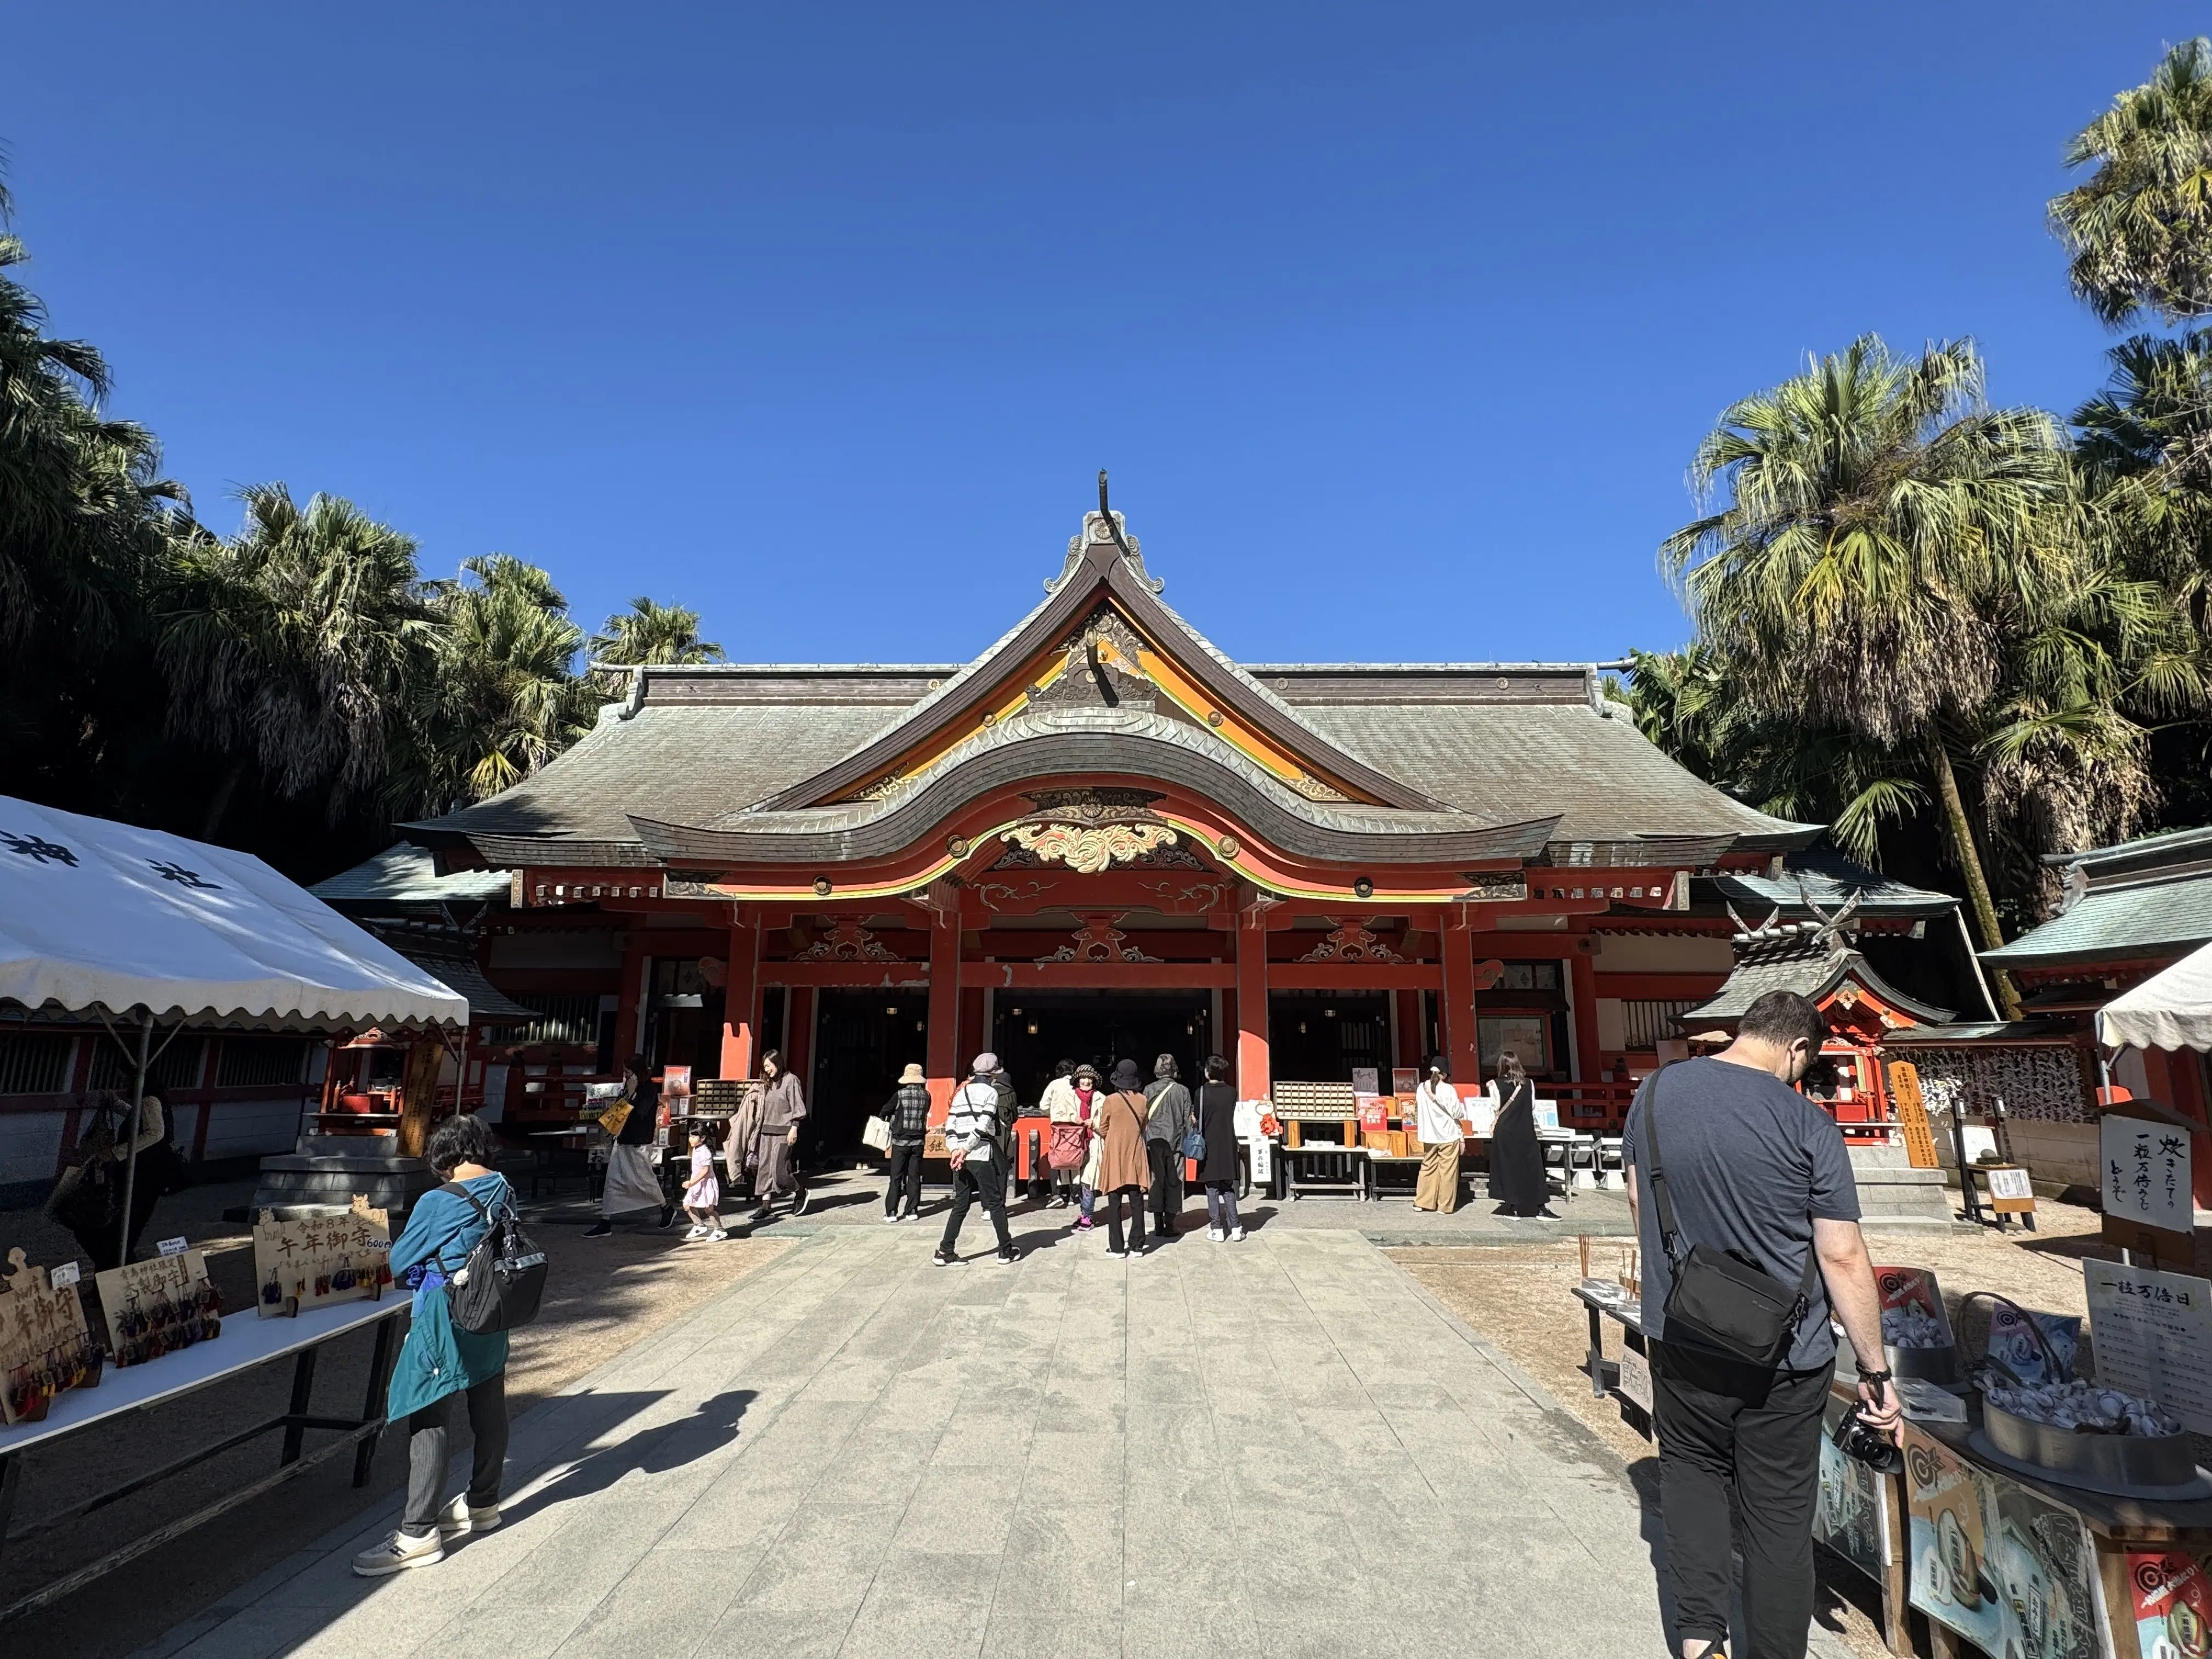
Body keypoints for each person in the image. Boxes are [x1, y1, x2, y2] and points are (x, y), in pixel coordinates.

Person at [1622, 990, 1902, 1659]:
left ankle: (1701, 1641)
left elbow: (1638, 1196)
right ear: (1798, 1048)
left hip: (1684, 1331)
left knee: (1691, 1476)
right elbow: (1841, 1253)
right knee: (1778, 1516)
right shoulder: (1808, 1125)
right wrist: (1874, 1369)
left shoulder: (1654, 1095)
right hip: (1786, 1351)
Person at [353, 1114, 514, 1576]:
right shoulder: (503, 1188)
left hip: (444, 1314)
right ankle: (483, 1502)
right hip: (491, 1310)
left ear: (444, 1155)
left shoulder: (437, 1200)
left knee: (428, 1410)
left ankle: (418, 1531)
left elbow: (400, 1260)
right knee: (488, 1402)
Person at [46, 1091, 177, 1269]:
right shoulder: (148, 1102)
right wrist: (117, 1104)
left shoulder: (150, 1099)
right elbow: (137, 1117)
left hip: (142, 1180)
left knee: (115, 1236)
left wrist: (115, 1153)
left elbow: (155, 1132)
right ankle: (113, 1274)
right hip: (137, 1178)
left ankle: (115, 1275)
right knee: (115, 1237)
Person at [933, 1052, 1015, 1265]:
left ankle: (945, 1250)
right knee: (995, 1203)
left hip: (960, 1156)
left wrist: (955, 1150)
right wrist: (966, 1149)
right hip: (980, 1153)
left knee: (961, 1204)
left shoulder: (962, 1092)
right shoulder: (991, 1093)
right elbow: (983, 1124)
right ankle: (1005, 1250)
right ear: (993, 1074)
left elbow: (951, 1123)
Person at [584, 1056, 675, 1238]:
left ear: (637, 1072)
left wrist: (633, 1096)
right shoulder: (627, 1088)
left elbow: (639, 1114)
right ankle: (605, 1221)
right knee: (612, 1182)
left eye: (628, 1072)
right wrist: (628, 1095)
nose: (626, 1075)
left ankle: (666, 1208)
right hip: (622, 1139)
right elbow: (618, 1111)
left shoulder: (649, 1090)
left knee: (644, 1180)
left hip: (639, 1141)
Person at [1093, 1059, 1153, 1259]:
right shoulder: (1143, 1100)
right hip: (1136, 1152)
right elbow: (1144, 1125)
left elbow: (1103, 1128)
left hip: (1116, 1154)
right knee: (1137, 1200)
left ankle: (1117, 1247)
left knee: (1115, 1201)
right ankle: (1137, 1245)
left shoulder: (1110, 1100)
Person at [746, 1049, 809, 1223]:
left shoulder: (791, 1080)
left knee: (780, 1172)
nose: (767, 1070)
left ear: (777, 1063)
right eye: (764, 1067)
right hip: (766, 1132)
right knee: (764, 1170)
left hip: (784, 1133)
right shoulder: (767, 1084)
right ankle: (766, 1207)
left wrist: (794, 1128)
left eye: (769, 1066)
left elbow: (798, 1106)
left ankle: (800, 1192)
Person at [1487, 1049, 1548, 1217]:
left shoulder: (1495, 1085)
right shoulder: (1529, 1084)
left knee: (1508, 1168)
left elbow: (1496, 1107)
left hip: (1505, 1131)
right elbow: (1532, 1106)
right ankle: (1539, 1205)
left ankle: (1512, 1205)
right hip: (1525, 1130)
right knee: (1532, 1167)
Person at [1192, 1054, 1243, 1242]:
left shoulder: (1201, 1092)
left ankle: (1216, 1228)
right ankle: (1236, 1226)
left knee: (1212, 1187)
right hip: (1228, 1143)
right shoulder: (1232, 1092)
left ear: (1208, 1072)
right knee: (1228, 1187)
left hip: (1209, 1144)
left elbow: (1197, 1117)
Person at [1142, 1053, 1192, 1237]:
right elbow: (1188, 1120)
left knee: (1157, 1179)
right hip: (1176, 1142)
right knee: (1175, 1180)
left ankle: (1157, 1222)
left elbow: (1143, 1117)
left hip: (1154, 1141)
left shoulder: (1148, 1090)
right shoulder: (1182, 1091)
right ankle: (1170, 1223)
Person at [1413, 1057, 1464, 1214]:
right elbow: (1457, 1113)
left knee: (1428, 1167)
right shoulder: (1449, 1089)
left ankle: (1422, 1202)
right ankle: (1444, 1206)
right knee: (1448, 1171)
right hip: (1448, 1135)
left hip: (1429, 1134)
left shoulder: (1421, 1088)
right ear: (1445, 1073)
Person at [883, 1061, 930, 1221]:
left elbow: (885, 1111)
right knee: (914, 1177)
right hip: (918, 1142)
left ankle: (891, 1212)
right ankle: (912, 1211)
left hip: (900, 1142)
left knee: (896, 1177)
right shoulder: (927, 1095)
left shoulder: (899, 1095)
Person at [1041, 1059, 1085, 1207]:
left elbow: (1043, 1106)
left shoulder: (1054, 1085)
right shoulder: (1077, 1085)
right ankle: (1074, 1195)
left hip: (1058, 1127)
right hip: (1076, 1127)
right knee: (1075, 1157)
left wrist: (1052, 1113)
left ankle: (1056, 1194)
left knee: (1057, 1157)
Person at [1071, 1062, 1104, 1230]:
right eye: (1083, 1078)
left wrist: (1095, 1124)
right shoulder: (1071, 1097)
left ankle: (1088, 1217)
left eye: (1090, 1078)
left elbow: (1107, 1124)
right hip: (1075, 1144)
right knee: (1078, 1182)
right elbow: (1057, 1114)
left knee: (1088, 1182)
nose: (1086, 1081)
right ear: (1077, 1080)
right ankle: (1084, 1212)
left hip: (1093, 1143)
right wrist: (1073, 1119)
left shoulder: (1102, 1098)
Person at [681, 1122, 725, 1240]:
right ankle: (699, 1225)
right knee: (688, 1204)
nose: (691, 1139)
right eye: (690, 1136)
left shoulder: (705, 1151)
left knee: (709, 1208)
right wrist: (692, 1182)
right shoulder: (696, 1149)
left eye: (694, 1137)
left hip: (706, 1184)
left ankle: (719, 1230)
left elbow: (705, 1170)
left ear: (703, 1138)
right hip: (697, 1183)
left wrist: (692, 1182)